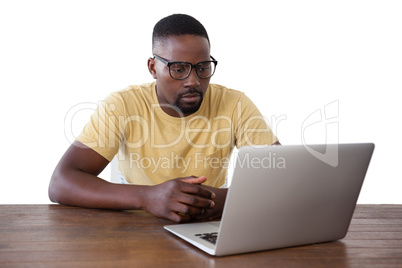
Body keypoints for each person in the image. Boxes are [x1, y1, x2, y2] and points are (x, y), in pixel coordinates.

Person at [49, 14, 280, 223]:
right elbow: (61, 182)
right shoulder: (123, 105)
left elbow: (282, 177)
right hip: (138, 224)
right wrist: (148, 197)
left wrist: (222, 200)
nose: (193, 81)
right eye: (178, 68)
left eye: (203, 67)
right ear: (152, 68)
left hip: (208, 221)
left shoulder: (235, 104)